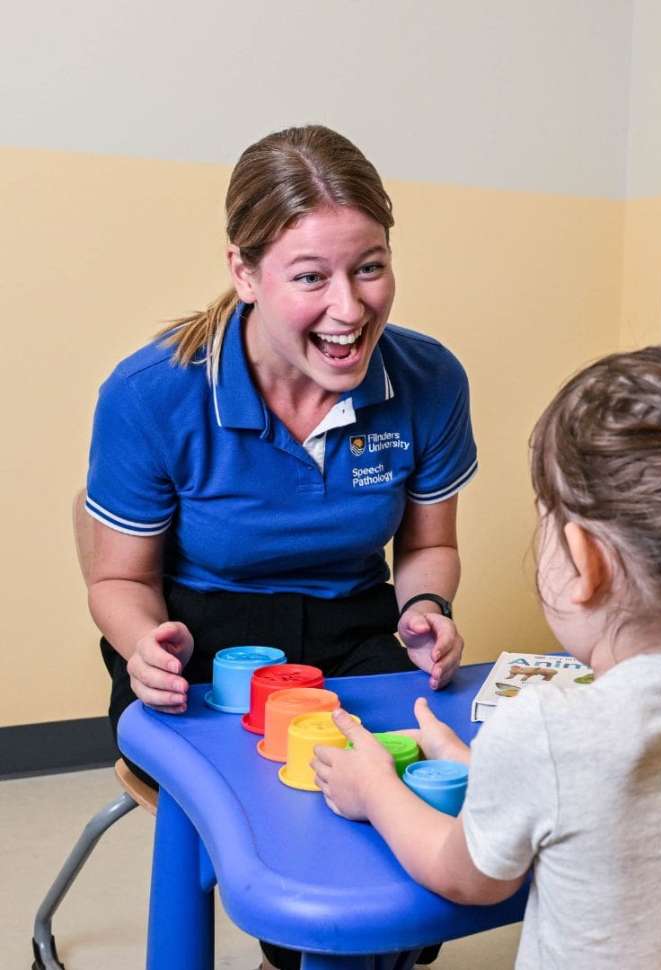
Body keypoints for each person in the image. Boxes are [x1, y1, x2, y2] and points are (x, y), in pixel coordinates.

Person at [312, 344, 661, 969]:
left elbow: (467, 877)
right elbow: (605, 796)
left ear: (585, 560)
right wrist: (475, 763)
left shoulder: (548, 730)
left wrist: (374, 789)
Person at [83, 124, 475, 970]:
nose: (350, 307)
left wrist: (425, 608)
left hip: (353, 620)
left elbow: (428, 547)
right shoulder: (152, 394)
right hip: (199, 635)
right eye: (310, 277)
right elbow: (118, 576)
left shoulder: (430, 379)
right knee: (290, 820)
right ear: (244, 272)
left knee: (411, 808)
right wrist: (141, 647)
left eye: (369, 267)